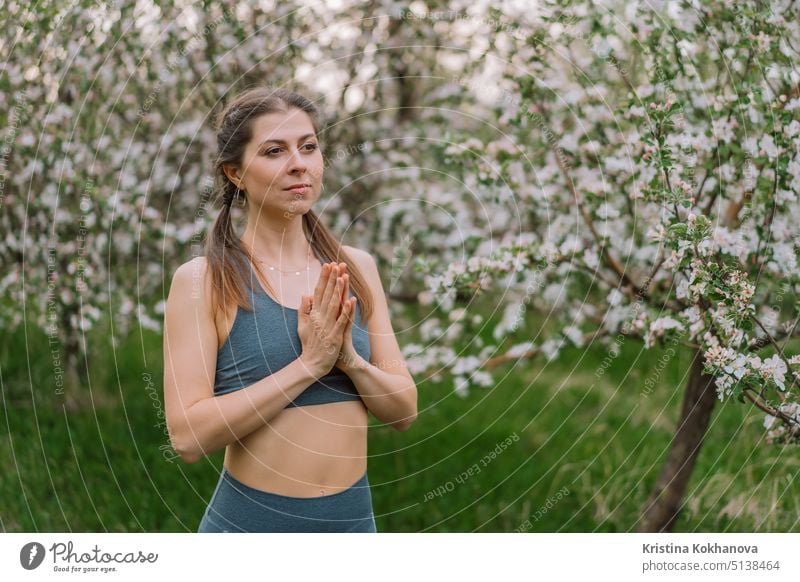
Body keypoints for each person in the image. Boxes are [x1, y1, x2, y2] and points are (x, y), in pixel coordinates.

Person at [162, 86, 418, 532]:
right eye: (274, 151)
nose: (298, 163)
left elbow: (404, 410)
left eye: (309, 147)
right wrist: (309, 365)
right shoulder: (203, 281)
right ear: (235, 173)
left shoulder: (356, 268)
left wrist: (350, 361)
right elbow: (187, 437)